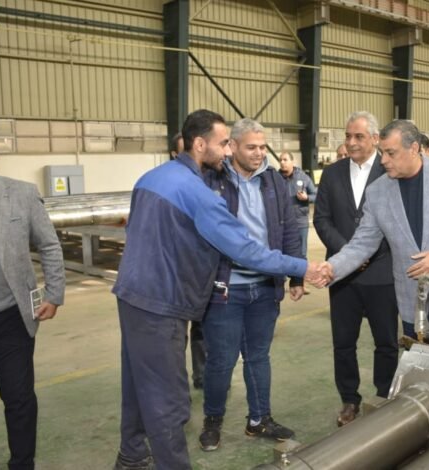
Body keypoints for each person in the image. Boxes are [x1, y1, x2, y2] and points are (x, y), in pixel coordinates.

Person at [111, 109, 318, 470]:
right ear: (199, 144)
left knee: (137, 385)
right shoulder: (198, 193)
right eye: (223, 144)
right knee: (170, 401)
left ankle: (131, 456)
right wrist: (304, 267)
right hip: (162, 303)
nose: (227, 151)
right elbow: (245, 250)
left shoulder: (152, 177)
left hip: (131, 296)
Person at [314, 119, 429, 341]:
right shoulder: (377, 191)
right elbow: (362, 243)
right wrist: (332, 267)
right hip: (413, 303)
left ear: (414, 148)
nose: (383, 160)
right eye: (382, 153)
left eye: (391, 153)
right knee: (420, 361)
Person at [198, 118, 304, 451]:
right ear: (232, 147)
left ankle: (259, 420)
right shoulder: (212, 179)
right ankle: (212, 421)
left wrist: (297, 275)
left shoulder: (274, 182)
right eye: (251, 147)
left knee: (258, 357)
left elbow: (289, 229)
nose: (259, 153)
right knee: (221, 360)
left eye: (262, 147)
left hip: (265, 288)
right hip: (226, 288)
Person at [312, 111, 399, 427]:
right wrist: (348, 253)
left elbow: (398, 222)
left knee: (386, 342)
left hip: (382, 272)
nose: (351, 142)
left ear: (375, 138)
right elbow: (322, 219)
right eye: (348, 136)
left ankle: (384, 396)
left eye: (358, 136)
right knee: (343, 342)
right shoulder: (332, 174)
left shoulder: (390, 172)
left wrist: (369, 253)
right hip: (342, 276)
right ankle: (349, 399)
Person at [0, 134, 65, 470]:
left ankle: (22, 463)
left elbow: (49, 245)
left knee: (18, 398)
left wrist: (54, 294)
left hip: (11, 315)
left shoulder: (20, 193)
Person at [169, 132, 207, 389]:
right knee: (175, 333)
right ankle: (176, 384)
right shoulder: (171, 185)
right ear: (175, 154)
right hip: (178, 272)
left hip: (203, 271)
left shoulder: (211, 181)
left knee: (202, 329)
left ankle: (203, 376)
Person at [278, 151, 317, 259]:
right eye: (280, 160)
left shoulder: (303, 177)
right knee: (283, 253)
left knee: (301, 253)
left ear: (292, 161)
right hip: (283, 223)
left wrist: (307, 197)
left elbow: (316, 195)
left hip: (300, 222)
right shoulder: (276, 178)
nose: (282, 162)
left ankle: (301, 270)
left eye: (285, 160)